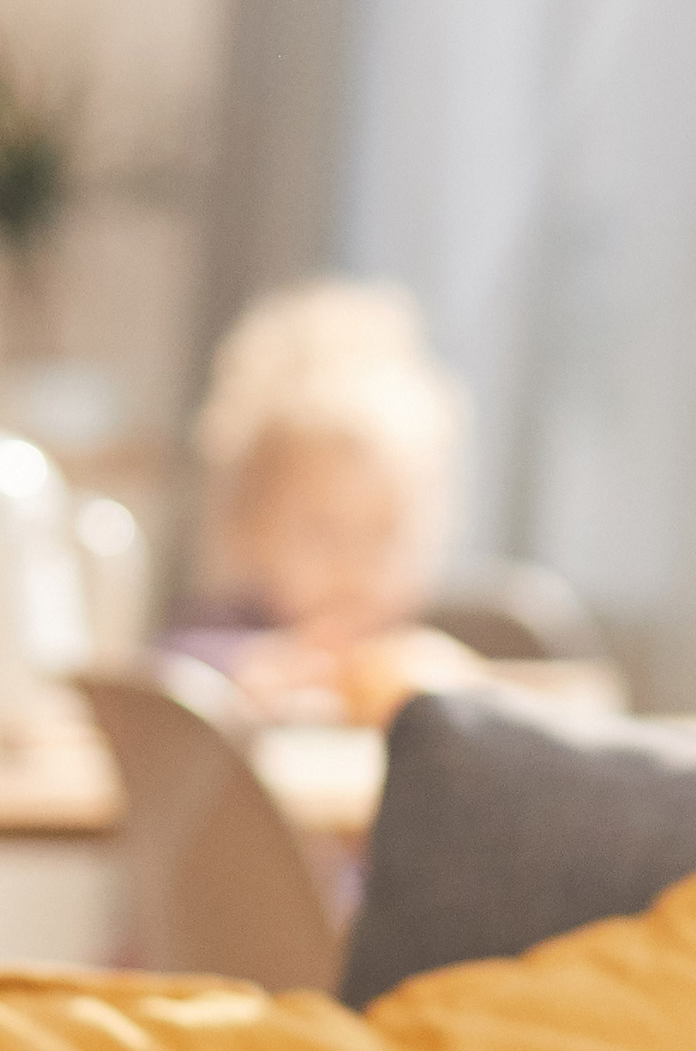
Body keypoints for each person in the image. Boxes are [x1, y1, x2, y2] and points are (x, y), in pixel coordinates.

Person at [167, 277, 492, 725]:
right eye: (321, 533)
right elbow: (163, 683)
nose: (353, 565)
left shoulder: (413, 661)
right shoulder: (221, 638)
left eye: (384, 535)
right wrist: (256, 672)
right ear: (248, 530)